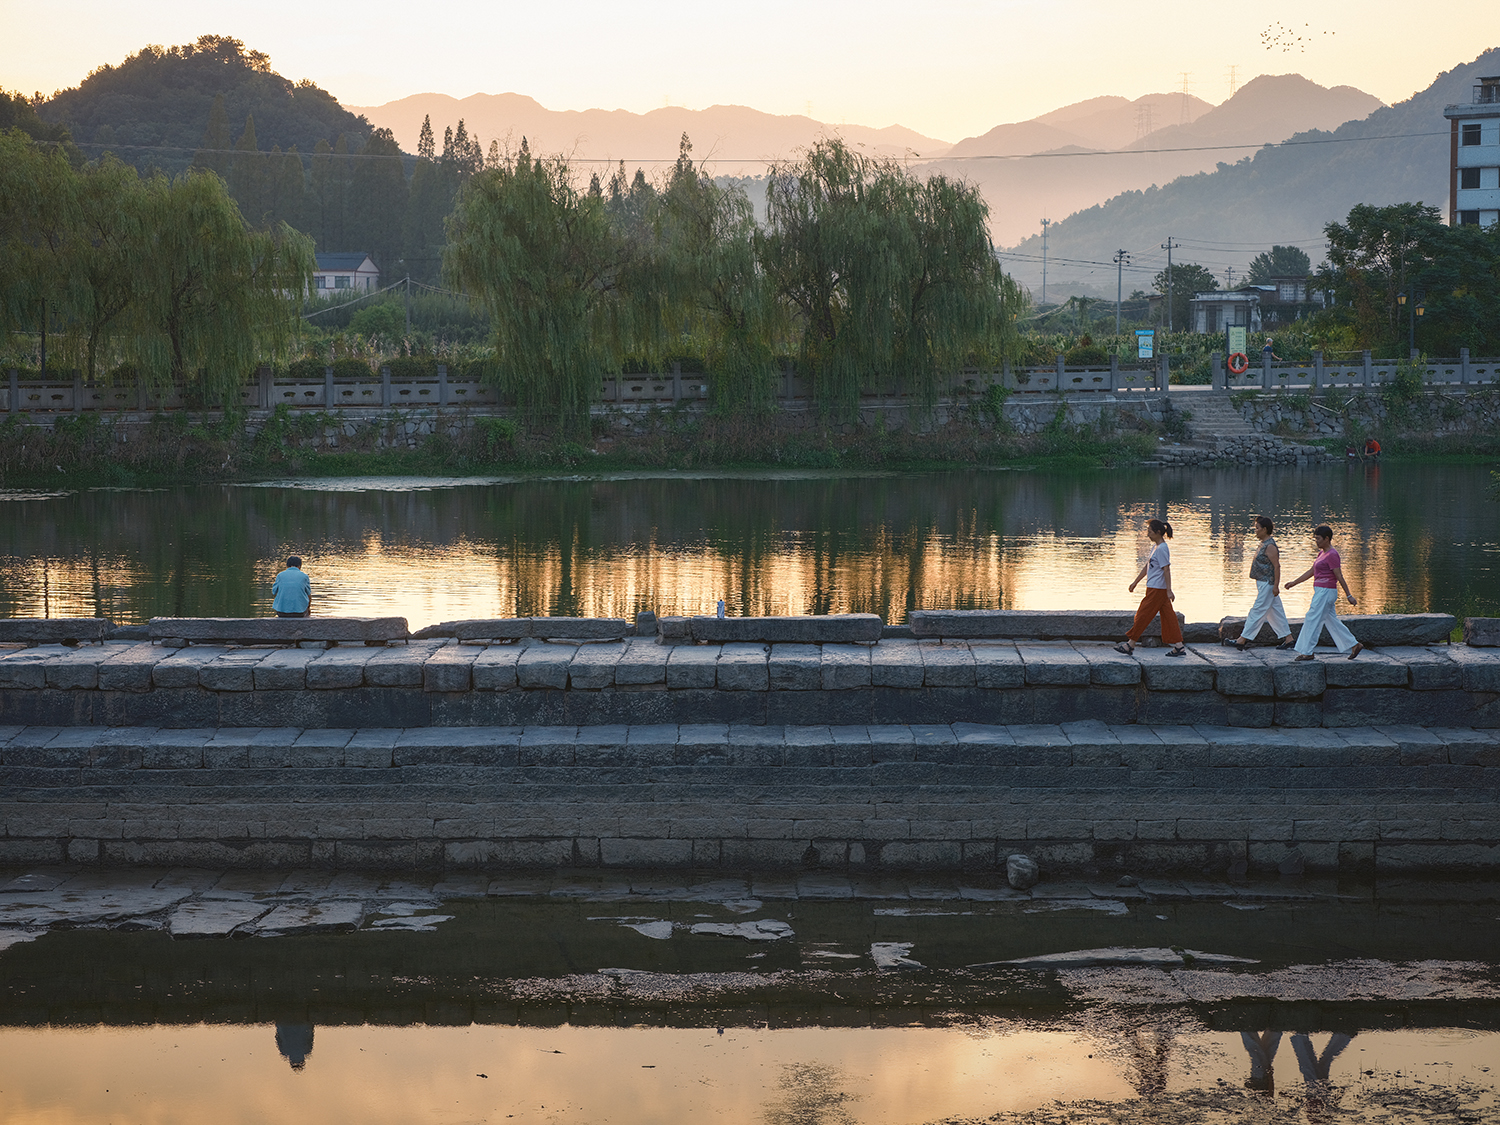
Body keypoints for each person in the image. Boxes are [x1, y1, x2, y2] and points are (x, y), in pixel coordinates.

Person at [1285, 526, 1361, 661]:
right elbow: (1312, 571)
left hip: (1326, 592)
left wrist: (1349, 595)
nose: (1316, 542)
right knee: (1331, 621)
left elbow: (1339, 576)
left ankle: (1307, 652)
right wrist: (1294, 583)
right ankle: (1354, 645)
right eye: (1315, 539)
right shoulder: (1322, 553)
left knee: (1311, 618)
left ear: (1327, 539)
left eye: (1318, 539)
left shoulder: (1332, 554)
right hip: (1321, 591)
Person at [1116, 518, 1187, 657]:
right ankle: (1179, 647)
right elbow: (1148, 568)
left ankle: (1130, 644)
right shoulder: (1155, 547)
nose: (1147, 534)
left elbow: (1166, 570)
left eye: (1150, 531)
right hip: (1154, 588)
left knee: (1142, 615)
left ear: (1158, 532)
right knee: (1169, 617)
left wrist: (1168, 590)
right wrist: (1135, 582)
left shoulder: (1162, 549)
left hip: (1158, 590)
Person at [1231, 515, 1293, 651]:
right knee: (1275, 612)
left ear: (1264, 529)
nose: (1255, 530)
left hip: (1268, 584)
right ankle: (1288, 639)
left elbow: (1277, 566)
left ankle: (1242, 640)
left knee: (1257, 610)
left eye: (1257, 528)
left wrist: (1276, 586)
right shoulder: (1263, 544)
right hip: (1262, 583)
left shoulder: (1270, 546)